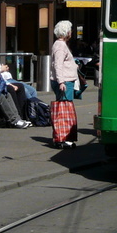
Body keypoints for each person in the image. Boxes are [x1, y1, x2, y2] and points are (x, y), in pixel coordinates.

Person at [50, 20, 79, 148]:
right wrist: (61, 81)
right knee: (64, 109)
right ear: (66, 32)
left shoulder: (60, 44)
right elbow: (58, 64)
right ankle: (63, 137)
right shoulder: (60, 45)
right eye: (70, 30)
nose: (71, 32)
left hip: (66, 80)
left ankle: (65, 136)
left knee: (65, 109)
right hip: (64, 81)